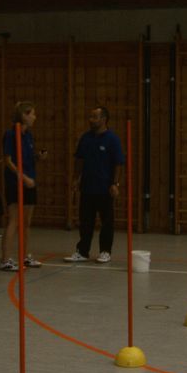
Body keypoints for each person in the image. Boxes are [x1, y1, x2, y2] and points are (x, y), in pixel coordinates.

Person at [64, 106, 125, 263]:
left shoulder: (112, 139)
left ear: (103, 119)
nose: (90, 120)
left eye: (94, 117)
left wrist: (115, 184)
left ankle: (105, 251)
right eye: (90, 117)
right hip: (87, 187)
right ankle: (82, 251)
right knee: (85, 222)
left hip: (105, 189)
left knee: (107, 222)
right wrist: (76, 179)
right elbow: (79, 160)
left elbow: (118, 163)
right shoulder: (86, 138)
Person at [0, 101, 47, 271]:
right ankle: (5, 259)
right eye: (32, 114)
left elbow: (27, 158)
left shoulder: (28, 135)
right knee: (14, 220)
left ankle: (24, 256)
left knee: (26, 222)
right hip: (15, 182)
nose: (35, 117)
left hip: (30, 181)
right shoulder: (11, 134)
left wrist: (38, 157)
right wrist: (22, 177)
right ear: (24, 115)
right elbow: (8, 161)